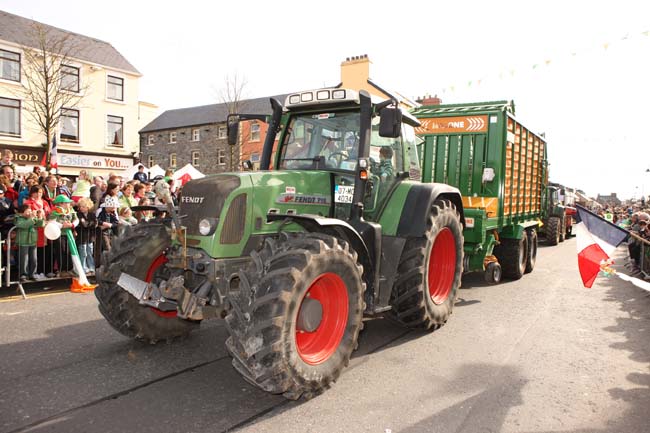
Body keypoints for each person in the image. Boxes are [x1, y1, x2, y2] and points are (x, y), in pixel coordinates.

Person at [15, 204, 45, 281]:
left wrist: (40, 216)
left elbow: (41, 224)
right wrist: (32, 218)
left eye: (30, 211)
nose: (30, 213)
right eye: (28, 211)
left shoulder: (32, 218)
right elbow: (23, 225)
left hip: (32, 241)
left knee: (34, 259)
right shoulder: (18, 218)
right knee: (24, 259)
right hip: (23, 241)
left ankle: (33, 274)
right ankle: (23, 274)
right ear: (22, 212)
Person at [75, 198, 96, 275]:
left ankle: (91, 267)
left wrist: (87, 223)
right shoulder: (78, 215)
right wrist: (88, 224)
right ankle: (83, 267)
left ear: (88, 207)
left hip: (90, 237)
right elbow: (82, 224)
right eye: (80, 207)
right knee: (83, 253)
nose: (81, 208)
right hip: (81, 238)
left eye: (83, 206)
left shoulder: (92, 214)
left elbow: (94, 224)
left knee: (90, 252)